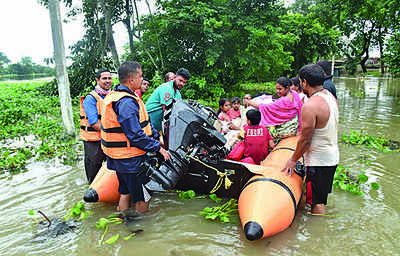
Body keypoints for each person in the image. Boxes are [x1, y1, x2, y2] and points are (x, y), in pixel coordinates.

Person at [101, 61, 171, 213]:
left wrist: (156, 137)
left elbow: (143, 123)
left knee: (125, 192)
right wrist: (157, 147)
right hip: (131, 160)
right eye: (140, 76)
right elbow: (135, 135)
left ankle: (124, 220)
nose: (142, 79)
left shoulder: (118, 96)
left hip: (120, 159)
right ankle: (140, 228)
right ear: (131, 80)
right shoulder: (126, 102)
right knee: (143, 197)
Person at [282, 64, 339, 215]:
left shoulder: (311, 106)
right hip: (331, 156)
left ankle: (317, 235)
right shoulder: (330, 97)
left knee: (317, 204)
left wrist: (293, 160)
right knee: (319, 197)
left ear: (305, 82)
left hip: (319, 161)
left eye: (301, 82)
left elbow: (305, 140)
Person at [80, 69, 112, 184]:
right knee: (93, 173)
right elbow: (94, 123)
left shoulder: (112, 96)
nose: (107, 81)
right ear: (97, 80)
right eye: (104, 78)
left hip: (108, 139)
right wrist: (113, 133)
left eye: (109, 78)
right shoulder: (90, 98)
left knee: (112, 169)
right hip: (94, 142)